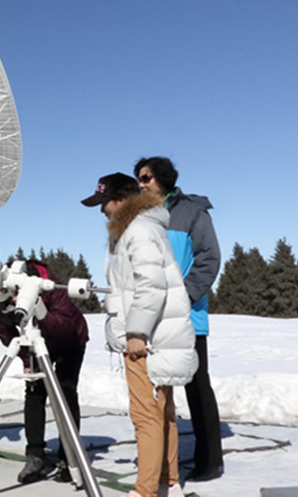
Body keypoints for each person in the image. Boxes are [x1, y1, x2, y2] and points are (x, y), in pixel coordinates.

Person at [82, 173, 198, 497]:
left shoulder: (138, 231)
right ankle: (168, 482)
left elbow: (150, 286)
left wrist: (136, 332)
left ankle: (145, 491)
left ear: (121, 200)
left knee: (145, 414)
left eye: (104, 202)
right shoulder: (144, 228)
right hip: (159, 337)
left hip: (146, 340)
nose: (102, 210)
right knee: (162, 412)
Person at [134, 156, 224, 482]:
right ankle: (163, 461)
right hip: (154, 318)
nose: (140, 184)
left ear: (163, 178)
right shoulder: (141, 216)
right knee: (159, 389)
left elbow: (209, 258)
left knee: (196, 387)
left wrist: (183, 296)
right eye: (138, 178)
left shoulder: (192, 212)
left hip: (187, 316)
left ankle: (210, 461)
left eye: (145, 178)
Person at [0, 259, 88, 484]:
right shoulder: (2, 295)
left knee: (65, 393)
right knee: (34, 394)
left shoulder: (50, 286)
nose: (14, 300)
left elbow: (65, 326)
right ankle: (34, 456)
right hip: (34, 344)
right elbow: (4, 330)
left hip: (69, 341)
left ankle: (69, 457)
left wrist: (39, 312)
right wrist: (27, 359)